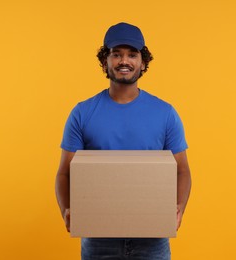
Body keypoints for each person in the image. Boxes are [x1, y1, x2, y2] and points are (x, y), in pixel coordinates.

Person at [55, 22, 191, 260]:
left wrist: (178, 208)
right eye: (116, 54)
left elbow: (183, 170)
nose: (124, 61)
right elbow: (64, 173)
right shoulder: (83, 113)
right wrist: (66, 209)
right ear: (105, 61)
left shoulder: (165, 113)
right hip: (98, 240)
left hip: (152, 239)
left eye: (132, 55)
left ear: (143, 62)